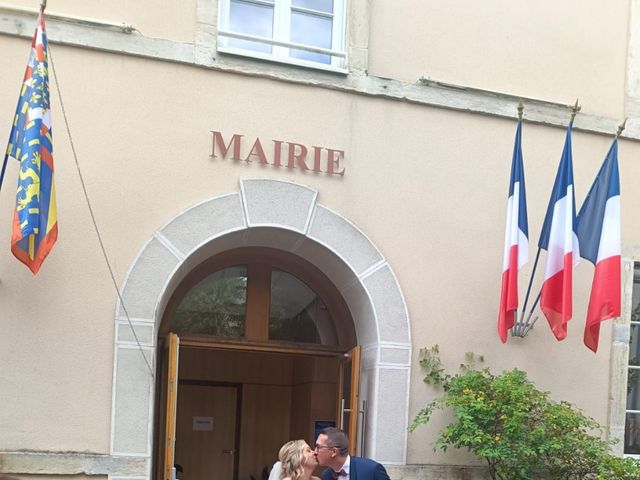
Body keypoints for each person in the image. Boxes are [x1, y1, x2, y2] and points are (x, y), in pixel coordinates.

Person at [314, 428, 390, 480]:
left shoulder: (371, 469)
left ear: (334, 452)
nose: (315, 452)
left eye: (318, 447)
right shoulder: (326, 475)